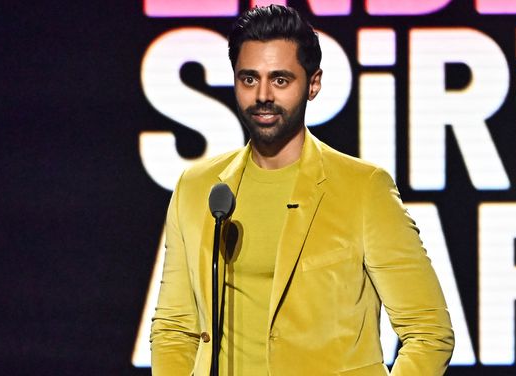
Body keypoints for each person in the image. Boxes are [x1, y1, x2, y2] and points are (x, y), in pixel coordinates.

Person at [150, 4, 454, 375]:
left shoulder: (363, 189)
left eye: (280, 80)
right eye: (249, 79)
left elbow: (429, 331)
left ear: (313, 84)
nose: (262, 94)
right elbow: (174, 327)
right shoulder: (197, 189)